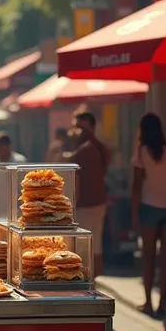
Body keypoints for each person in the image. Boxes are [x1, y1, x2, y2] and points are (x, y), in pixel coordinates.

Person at [65, 111, 110, 279]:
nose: (75, 131)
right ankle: (92, 282)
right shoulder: (100, 147)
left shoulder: (85, 149)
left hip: (86, 204)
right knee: (96, 244)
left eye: (78, 127)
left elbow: (75, 178)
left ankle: (87, 281)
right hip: (98, 202)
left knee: (82, 247)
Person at [131, 113, 166, 316]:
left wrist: (134, 213)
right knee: (165, 261)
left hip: (148, 206)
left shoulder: (142, 151)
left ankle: (148, 303)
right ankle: (163, 303)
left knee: (149, 258)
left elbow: (137, 184)